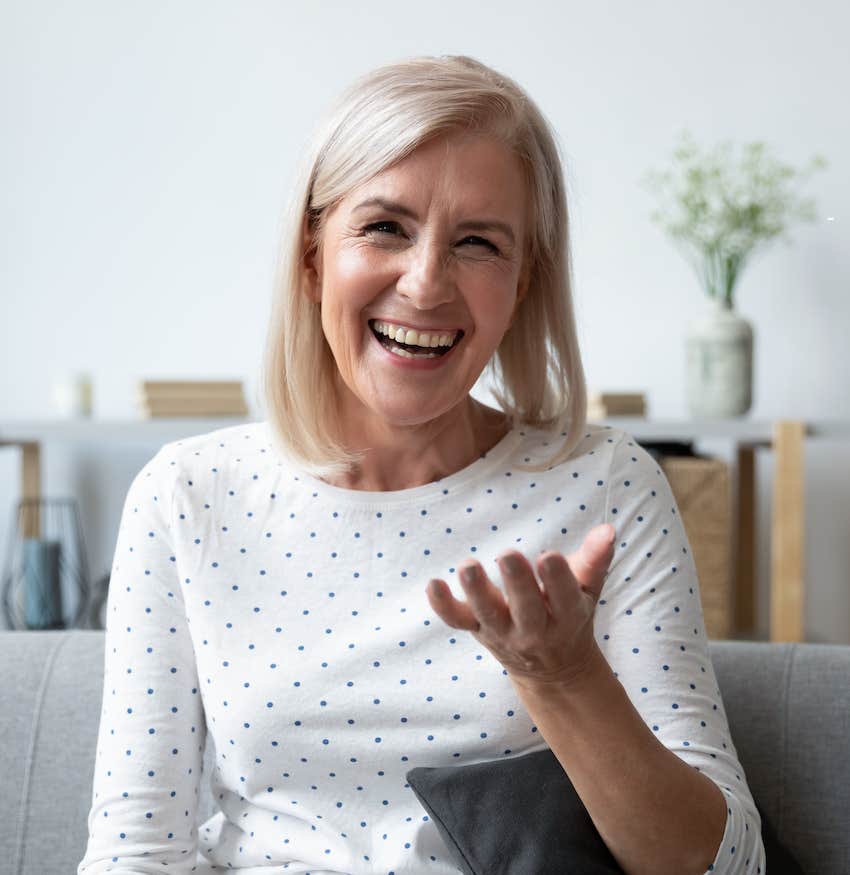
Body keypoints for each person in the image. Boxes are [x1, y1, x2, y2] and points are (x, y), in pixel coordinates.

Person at [78, 55, 765, 874]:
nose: (427, 282)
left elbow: (726, 865)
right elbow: (134, 852)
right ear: (312, 253)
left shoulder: (607, 485)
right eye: (384, 228)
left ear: (521, 284)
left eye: (478, 243)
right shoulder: (186, 494)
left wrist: (567, 676)